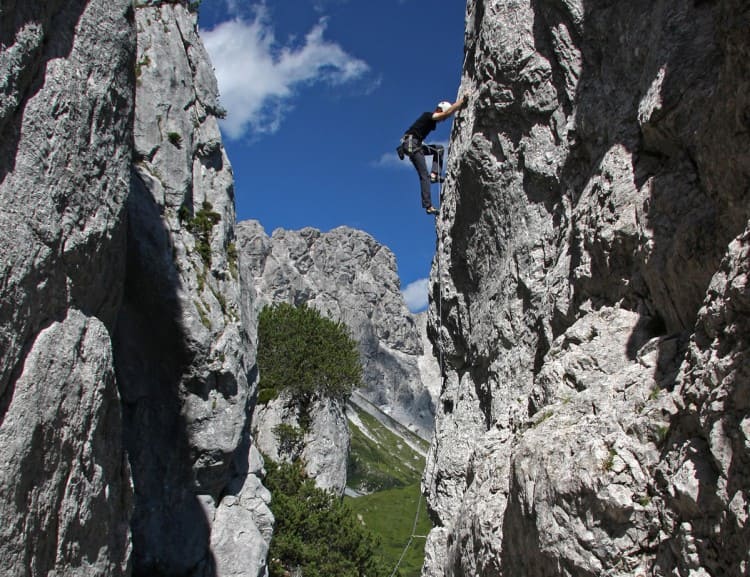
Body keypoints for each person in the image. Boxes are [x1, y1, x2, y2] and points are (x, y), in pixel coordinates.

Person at [397, 97, 466, 215]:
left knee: (438, 149)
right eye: (443, 117)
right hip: (412, 145)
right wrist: (461, 102)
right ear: (440, 110)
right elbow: (445, 113)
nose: (443, 120)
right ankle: (428, 206)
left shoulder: (431, 121)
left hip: (414, 144)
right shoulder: (429, 115)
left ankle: (435, 175)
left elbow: (444, 114)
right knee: (424, 175)